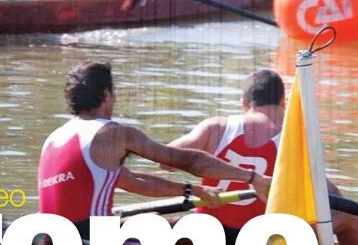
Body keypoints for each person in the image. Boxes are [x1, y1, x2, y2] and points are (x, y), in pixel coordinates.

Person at [167, 69, 358, 245]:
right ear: (282, 102)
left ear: (245, 104)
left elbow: (166, 162)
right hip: (259, 242)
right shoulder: (292, 140)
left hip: (209, 232)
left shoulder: (216, 128)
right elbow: (327, 192)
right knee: (349, 218)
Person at [38, 61, 269, 234]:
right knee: (160, 227)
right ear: (106, 95)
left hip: (52, 240)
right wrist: (250, 176)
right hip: (89, 243)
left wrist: (193, 191)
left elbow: (134, 181)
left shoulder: (54, 138)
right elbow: (188, 161)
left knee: (149, 221)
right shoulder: (113, 134)